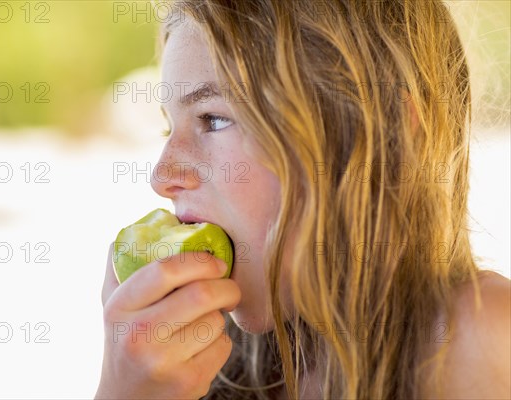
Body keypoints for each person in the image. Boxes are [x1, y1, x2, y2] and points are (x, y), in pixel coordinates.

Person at [95, 1, 511, 398]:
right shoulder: (205, 362)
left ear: (388, 131)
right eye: (169, 128)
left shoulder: (485, 338)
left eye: (214, 119)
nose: (162, 176)